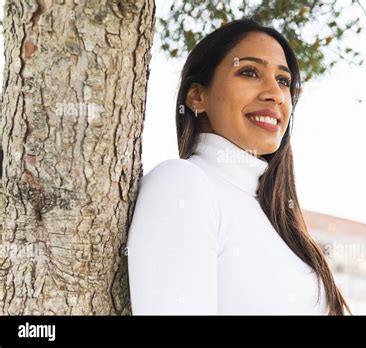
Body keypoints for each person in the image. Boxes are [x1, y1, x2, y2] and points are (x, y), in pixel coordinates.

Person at [127, 18, 351, 315]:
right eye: (249, 72)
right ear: (197, 97)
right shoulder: (182, 185)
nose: (275, 93)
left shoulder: (275, 212)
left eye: (283, 81)